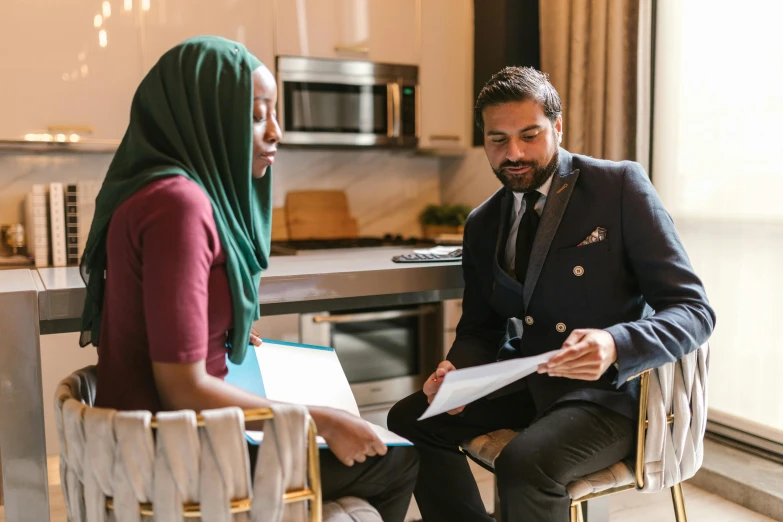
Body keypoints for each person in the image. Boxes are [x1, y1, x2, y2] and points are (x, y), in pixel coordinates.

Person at [79, 36, 417, 522]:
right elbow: (182, 387)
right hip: (177, 458)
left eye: (274, 114)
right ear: (204, 116)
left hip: (159, 441)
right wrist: (321, 422)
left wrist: (215, 329)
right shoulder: (180, 205)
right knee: (396, 458)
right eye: (257, 116)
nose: (276, 132)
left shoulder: (159, 191)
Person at [388, 66, 716, 521]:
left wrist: (615, 343)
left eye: (529, 134)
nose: (514, 153)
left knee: (525, 464)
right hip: (529, 382)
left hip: (609, 394)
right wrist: (455, 374)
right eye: (497, 139)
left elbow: (694, 311)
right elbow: (480, 328)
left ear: (558, 128)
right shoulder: (482, 223)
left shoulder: (618, 186)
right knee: (409, 420)